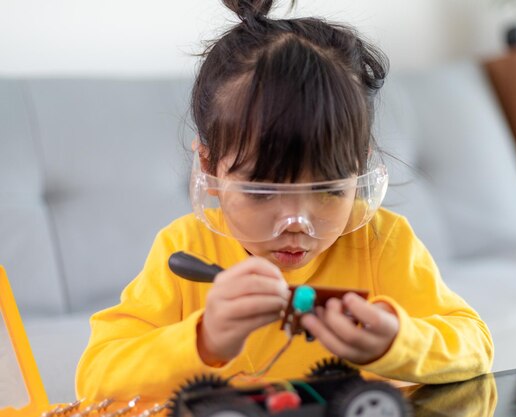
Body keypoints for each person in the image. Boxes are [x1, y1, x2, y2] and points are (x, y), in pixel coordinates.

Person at [76, 0, 493, 401]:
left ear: (360, 169)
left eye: (328, 190)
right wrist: (203, 339)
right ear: (209, 167)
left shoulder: (381, 243)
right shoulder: (184, 251)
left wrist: (399, 343)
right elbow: (96, 377)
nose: (295, 222)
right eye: (262, 191)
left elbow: (474, 345)